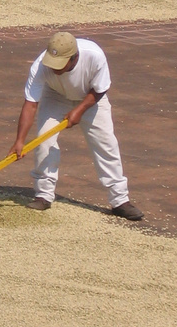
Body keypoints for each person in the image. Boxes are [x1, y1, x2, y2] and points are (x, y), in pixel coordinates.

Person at [9, 31, 143, 220]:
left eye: (60, 64)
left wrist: (79, 110)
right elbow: (31, 104)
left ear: (74, 58)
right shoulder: (40, 65)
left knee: (106, 144)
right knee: (44, 141)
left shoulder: (95, 56)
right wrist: (19, 141)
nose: (54, 68)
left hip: (90, 97)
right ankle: (43, 195)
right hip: (55, 96)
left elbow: (100, 89)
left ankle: (120, 200)